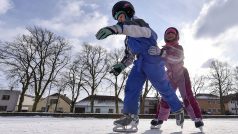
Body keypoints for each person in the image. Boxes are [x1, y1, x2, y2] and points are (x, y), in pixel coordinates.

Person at [95, 1, 184, 133]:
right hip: (139, 63)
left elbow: (146, 32)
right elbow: (129, 55)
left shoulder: (140, 24)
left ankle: (178, 109)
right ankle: (131, 116)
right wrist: (121, 66)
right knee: (131, 87)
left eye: (121, 16)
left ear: (129, 12)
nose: (120, 20)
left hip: (153, 61)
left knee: (163, 88)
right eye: (118, 19)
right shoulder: (128, 39)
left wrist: (114, 29)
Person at [148, 27, 204, 132]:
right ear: (165, 37)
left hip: (181, 74)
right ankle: (159, 118)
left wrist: (162, 54)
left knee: (187, 96)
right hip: (169, 76)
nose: (170, 35)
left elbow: (177, 58)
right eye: (168, 34)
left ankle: (197, 118)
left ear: (176, 36)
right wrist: (151, 54)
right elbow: (157, 62)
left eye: (172, 33)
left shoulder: (179, 47)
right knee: (165, 97)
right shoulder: (163, 49)